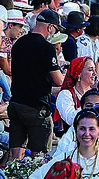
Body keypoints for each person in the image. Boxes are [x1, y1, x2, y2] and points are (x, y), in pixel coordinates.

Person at [8, 9, 65, 158]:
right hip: (36, 107)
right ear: (50, 27)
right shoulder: (46, 48)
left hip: (16, 103)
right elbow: (58, 80)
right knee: (39, 157)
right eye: (55, 29)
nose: (54, 33)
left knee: (15, 155)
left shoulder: (19, 43)